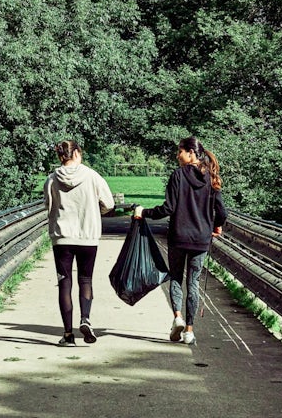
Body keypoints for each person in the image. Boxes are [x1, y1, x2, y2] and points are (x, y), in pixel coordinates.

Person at [134, 136, 227, 345]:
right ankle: (189, 331)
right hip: (201, 240)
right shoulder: (211, 176)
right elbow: (221, 211)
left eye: (180, 152)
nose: (178, 156)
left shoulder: (178, 175)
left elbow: (168, 209)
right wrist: (216, 225)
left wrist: (144, 212)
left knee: (176, 278)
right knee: (192, 282)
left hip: (178, 237)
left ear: (191, 153)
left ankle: (177, 317)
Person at [43, 140, 115, 346]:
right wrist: (94, 212)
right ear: (76, 153)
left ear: (60, 156)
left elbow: (48, 207)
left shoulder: (51, 179)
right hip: (88, 237)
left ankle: (68, 335)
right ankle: (85, 319)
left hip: (62, 238)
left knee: (64, 283)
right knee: (86, 279)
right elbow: (109, 204)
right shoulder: (92, 176)